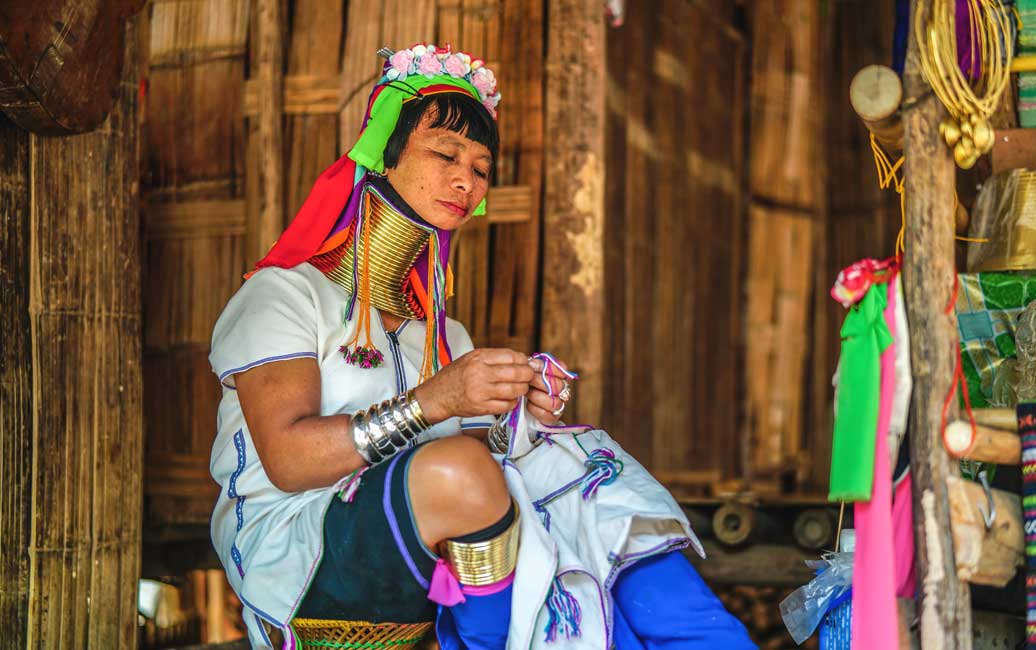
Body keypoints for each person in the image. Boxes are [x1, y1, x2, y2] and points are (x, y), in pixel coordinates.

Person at [208, 44, 756, 649]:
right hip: (292, 551)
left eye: (482, 168)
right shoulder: (282, 296)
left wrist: (518, 418)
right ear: (381, 157)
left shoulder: (445, 336)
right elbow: (287, 461)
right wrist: (434, 401)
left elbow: (476, 469)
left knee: (580, 467)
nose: (465, 179)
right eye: (444, 154)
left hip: (415, 542)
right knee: (467, 474)